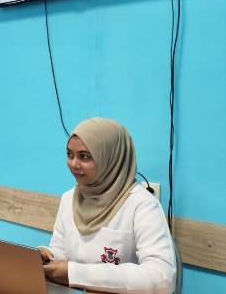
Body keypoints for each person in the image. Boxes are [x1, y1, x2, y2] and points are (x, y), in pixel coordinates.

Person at [39, 117, 176, 294]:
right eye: (69, 155)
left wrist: (74, 273)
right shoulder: (69, 198)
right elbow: (62, 251)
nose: (74, 164)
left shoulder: (142, 205)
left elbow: (161, 278)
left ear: (111, 159)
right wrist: (47, 256)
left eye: (85, 156)